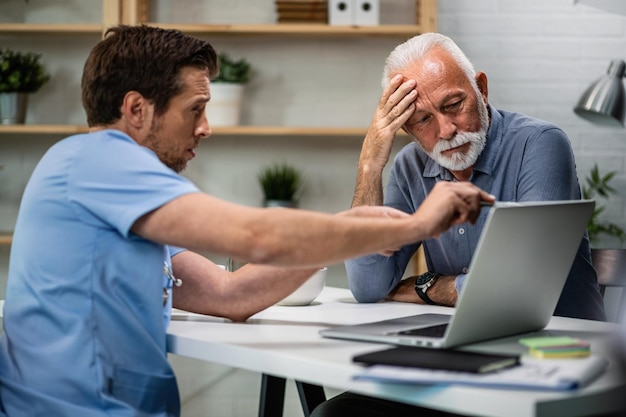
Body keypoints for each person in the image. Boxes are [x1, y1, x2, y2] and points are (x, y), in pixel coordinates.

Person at [0, 25, 492, 417]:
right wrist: (411, 226)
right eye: (194, 109)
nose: (206, 127)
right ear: (136, 110)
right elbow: (255, 235)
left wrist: (352, 225)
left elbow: (228, 295)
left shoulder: (113, 196)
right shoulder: (99, 161)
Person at [311, 32, 607, 417]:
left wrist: (429, 286)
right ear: (406, 129)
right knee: (333, 414)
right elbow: (368, 286)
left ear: (481, 88)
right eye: (423, 120)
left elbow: (516, 290)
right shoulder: (409, 168)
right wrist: (370, 163)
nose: (447, 130)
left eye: (454, 104)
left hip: (557, 360)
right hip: (469, 361)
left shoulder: (540, 143)